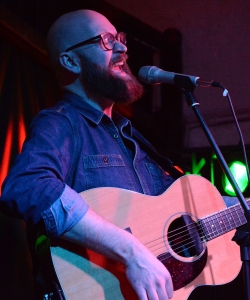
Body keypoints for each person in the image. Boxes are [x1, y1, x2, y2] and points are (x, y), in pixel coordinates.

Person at [0, 9, 175, 300]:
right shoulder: (61, 122)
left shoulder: (130, 137)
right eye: (106, 41)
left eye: (119, 37)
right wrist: (131, 251)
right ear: (70, 61)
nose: (122, 48)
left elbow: (187, 205)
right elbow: (26, 184)